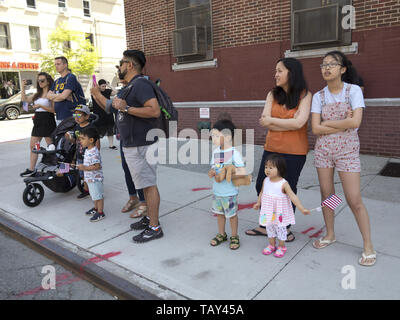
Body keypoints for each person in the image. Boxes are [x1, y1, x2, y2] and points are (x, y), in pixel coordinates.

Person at [311, 51, 376, 266]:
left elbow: (355, 123)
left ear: (343, 69)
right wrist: (343, 123)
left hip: (347, 150)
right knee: (328, 193)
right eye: (323, 64)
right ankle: (330, 234)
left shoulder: (353, 91)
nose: (326, 68)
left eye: (332, 64)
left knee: (353, 198)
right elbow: (314, 128)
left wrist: (327, 124)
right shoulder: (318, 96)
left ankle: (368, 245)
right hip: (324, 151)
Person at [245, 58, 312, 242]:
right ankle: (267, 226)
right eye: (275, 71)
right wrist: (289, 124)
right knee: (262, 185)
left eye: (280, 70)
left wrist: (274, 123)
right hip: (272, 148)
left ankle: (285, 228)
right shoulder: (272, 94)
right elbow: (265, 120)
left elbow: (299, 123)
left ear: (292, 72)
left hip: (295, 151)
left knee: (286, 190)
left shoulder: (305, 95)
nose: (276, 74)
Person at [111, 49, 162, 243]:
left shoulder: (140, 84)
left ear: (129, 65)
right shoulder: (132, 85)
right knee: (145, 185)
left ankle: (155, 227)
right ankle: (149, 218)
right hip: (134, 144)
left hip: (143, 144)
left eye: (121, 63)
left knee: (149, 186)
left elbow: (154, 111)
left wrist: (126, 108)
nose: (119, 67)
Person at [90, 79, 146, 217]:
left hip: (136, 138)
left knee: (138, 172)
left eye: (122, 64)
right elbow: (108, 107)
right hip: (124, 138)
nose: (120, 68)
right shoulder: (124, 91)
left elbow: (111, 105)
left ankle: (144, 202)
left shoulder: (138, 88)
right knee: (127, 169)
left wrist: (98, 94)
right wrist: (96, 95)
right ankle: (133, 198)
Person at [253, 154, 310, 258]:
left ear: (280, 169)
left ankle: (281, 246)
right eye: (266, 167)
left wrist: (302, 208)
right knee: (269, 228)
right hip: (268, 211)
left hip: (279, 212)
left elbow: (293, 196)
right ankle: (271, 245)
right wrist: (258, 203)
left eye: (271, 167)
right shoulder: (266, 180)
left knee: (280, 229)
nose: (267, 170)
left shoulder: (283, 184)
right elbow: (262, 192)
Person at [208, 119, 247, 250]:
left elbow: (242, 171)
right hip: (217, 191)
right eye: (212, 135)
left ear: (228, 137)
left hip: (229, 192)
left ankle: (234, 236)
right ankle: (221, 234)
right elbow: (214, 166)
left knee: (231, 215)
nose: (213, 139)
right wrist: (213, 171)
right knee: (219, 214)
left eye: (216, 136)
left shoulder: (234, 153)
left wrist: (229, 171)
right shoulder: (215, 152)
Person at [20, 72, 56, 177]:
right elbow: (24, 101)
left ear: (48, 81)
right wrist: (23, 88)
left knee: (51, 147)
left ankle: (54, 168)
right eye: (38, 81)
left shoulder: (51, 93)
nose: (40, 82)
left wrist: (40, 105)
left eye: (42, 80)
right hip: (38, 121)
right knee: (33, 146)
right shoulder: (37, 95)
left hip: (48, 120)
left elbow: (53, 110)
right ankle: (31, 169)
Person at [65, 105, 100, 199]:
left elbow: (97, 142)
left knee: (90, 174)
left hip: (90, 156)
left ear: (87, 116)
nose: (76, 118)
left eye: (79, 115)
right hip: (80, 155)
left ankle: (92, 190)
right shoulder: (76, 127)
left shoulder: (91, 127)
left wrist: (96, 154)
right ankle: (86, 190)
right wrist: (70, 138)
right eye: (75, 115)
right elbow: (76, 142)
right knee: (83, 174)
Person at [76, 127, 105, 222]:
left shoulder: (94, 152)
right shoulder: (88, 150)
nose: (80, 141)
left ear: (91, 140)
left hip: (95, 179)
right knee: (94, 196)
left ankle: (100, 212)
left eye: (83, 138)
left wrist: (84, 168)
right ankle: (96, 208)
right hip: (90, 179)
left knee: (98, 196)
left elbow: (97, 166)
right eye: (80, 139)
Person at [47, 56, 86, 125]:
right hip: (59, 116)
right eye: (55, 64)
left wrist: (57, 97)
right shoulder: (57, 81)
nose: (56, 66)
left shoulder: (71, 77)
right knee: (61, 135)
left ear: (65, 65)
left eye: (58, 64)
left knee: (72, 135)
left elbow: (63, 96)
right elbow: (48, 96)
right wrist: (60, 96)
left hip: (72, 116)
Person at [92, 79, 117, 150]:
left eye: (105, 86)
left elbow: (115, 92)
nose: (104, 87)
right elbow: (93, 88)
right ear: (99, 86)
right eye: (103, 86)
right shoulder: (96, 92)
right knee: (97, 131)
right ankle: (96, 145)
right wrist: (93, 81)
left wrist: (109, 85)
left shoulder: (107, 91)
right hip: (98, 114)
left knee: (110, 129)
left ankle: (111, 145)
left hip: (108, 113)